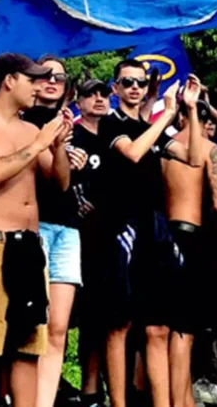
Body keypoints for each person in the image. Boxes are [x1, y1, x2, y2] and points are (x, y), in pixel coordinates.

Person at [0, 53, 72, 407]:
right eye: (32, 79)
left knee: (28, 343)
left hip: (29, 246)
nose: (40, 86)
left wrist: (57, 145)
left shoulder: (31, 129)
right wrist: (39, 144)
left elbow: (60, 183)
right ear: (9, 80)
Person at [108, 59, 204, 407]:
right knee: (119, 324)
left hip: (155, 231)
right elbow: (133, 152)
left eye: (140, 83)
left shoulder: (155, 129)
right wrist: (166, 113)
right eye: (127, 82)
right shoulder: (110, 122)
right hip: (121, 229)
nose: (135, 88)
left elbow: (194, 157)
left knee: (158, 328)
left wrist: (189, 111)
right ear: (116, 87)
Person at [16, 55, 87, 407]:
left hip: (68, 228)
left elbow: (66, 182)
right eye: (44, 75)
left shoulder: (67, 123)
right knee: (32, 326)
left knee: (58, 328)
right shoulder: (21, 119)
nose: (52, 81)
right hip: (34, 227)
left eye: (59, 76)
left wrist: (76, 159)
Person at [70, 78, 136, 407]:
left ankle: (117, 391)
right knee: (91, 318)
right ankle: (90, 390)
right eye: (89, 94)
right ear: (77, 101)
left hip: (119, 233)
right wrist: (76, 197)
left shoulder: (116, 132)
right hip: (85, 236)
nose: (98, 98)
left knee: (118, 317)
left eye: (102, 93)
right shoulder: (73, 135)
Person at [162, 98, 217, 407]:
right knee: (184, 328)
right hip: (190, 234)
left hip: (159, 234)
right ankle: (180, 399)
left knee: (161, 326)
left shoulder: (162, 143)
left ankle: (178, 395)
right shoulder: (208, 150)